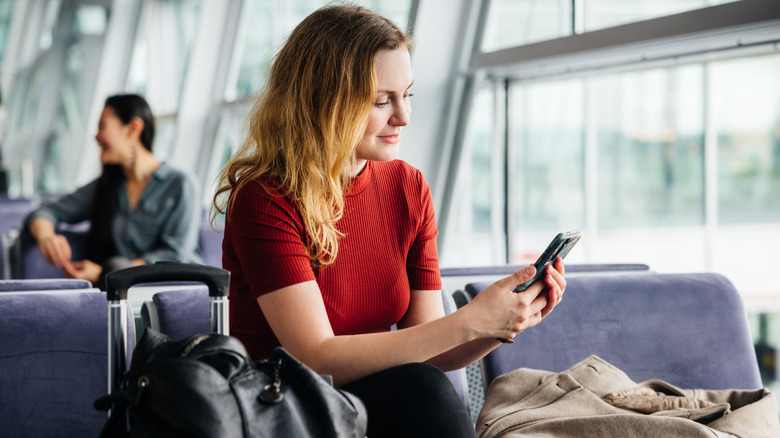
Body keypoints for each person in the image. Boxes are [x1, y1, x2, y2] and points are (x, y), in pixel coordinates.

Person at [212, 5, 566, 438]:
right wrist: (469, 319)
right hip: (284, 407)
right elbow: (315, 360)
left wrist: (502, 323)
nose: (403, 117)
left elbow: (430, 349)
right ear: (324, 101)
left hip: (372, 403)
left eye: (408, 95)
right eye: (382, 101)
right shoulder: (266, 198)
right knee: (421, 389)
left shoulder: (408, 187)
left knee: (422, 384)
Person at [25, 94, 202, 286]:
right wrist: (47, 237)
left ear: (133, 128)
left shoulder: (181, 184)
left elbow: (176, 254)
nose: (96, 136)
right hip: (126, 297)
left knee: (114, 263)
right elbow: (43, 212)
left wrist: (107, 274)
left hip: (177, 291)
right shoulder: (106, 186)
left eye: (102, 126)